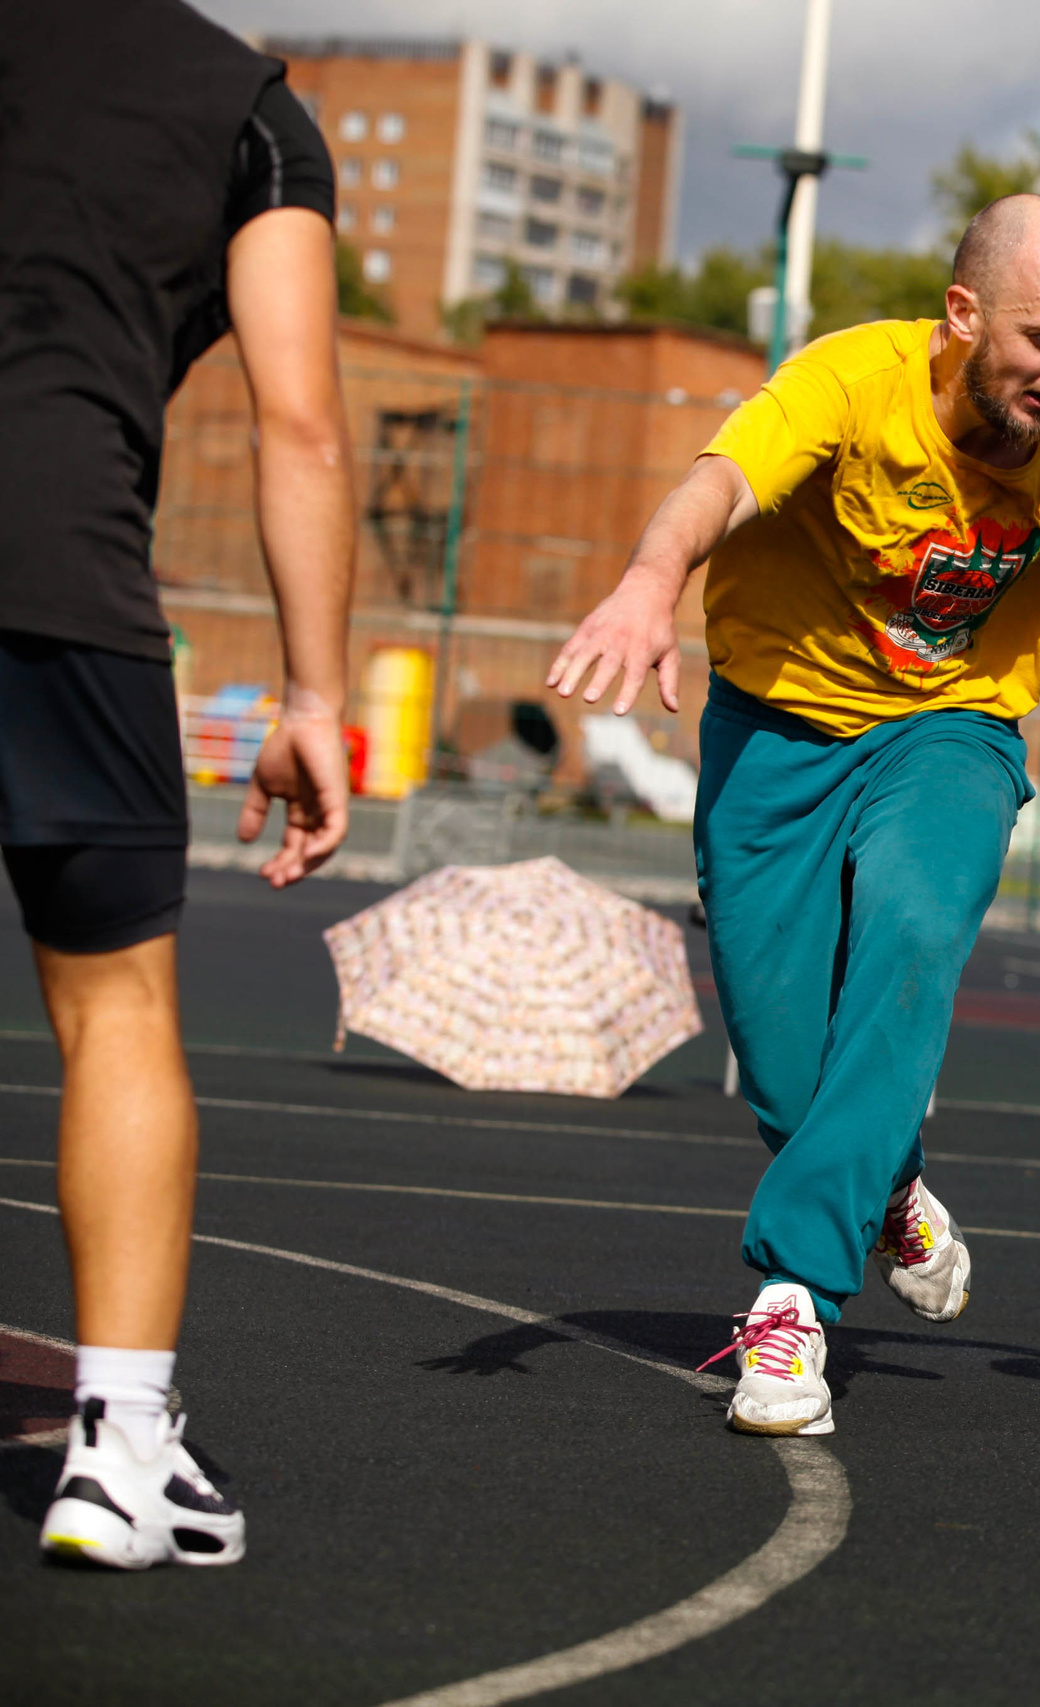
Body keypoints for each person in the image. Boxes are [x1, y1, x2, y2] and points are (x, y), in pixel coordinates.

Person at [551, 195, 1040, 1438]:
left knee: (912, 932)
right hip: (774, 729)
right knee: (782, 1060)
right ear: (962, 315)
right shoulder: (850, 383)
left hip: (951, 731)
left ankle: (792, 1301)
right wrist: (649, 579)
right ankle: (890, 1189)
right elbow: (722, 480)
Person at [10, 5, 355, 1568]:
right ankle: (118, 1447)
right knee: (117, 1009)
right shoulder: (247, 104)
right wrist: (315, 693)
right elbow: (299, 415)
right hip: (58, 575)